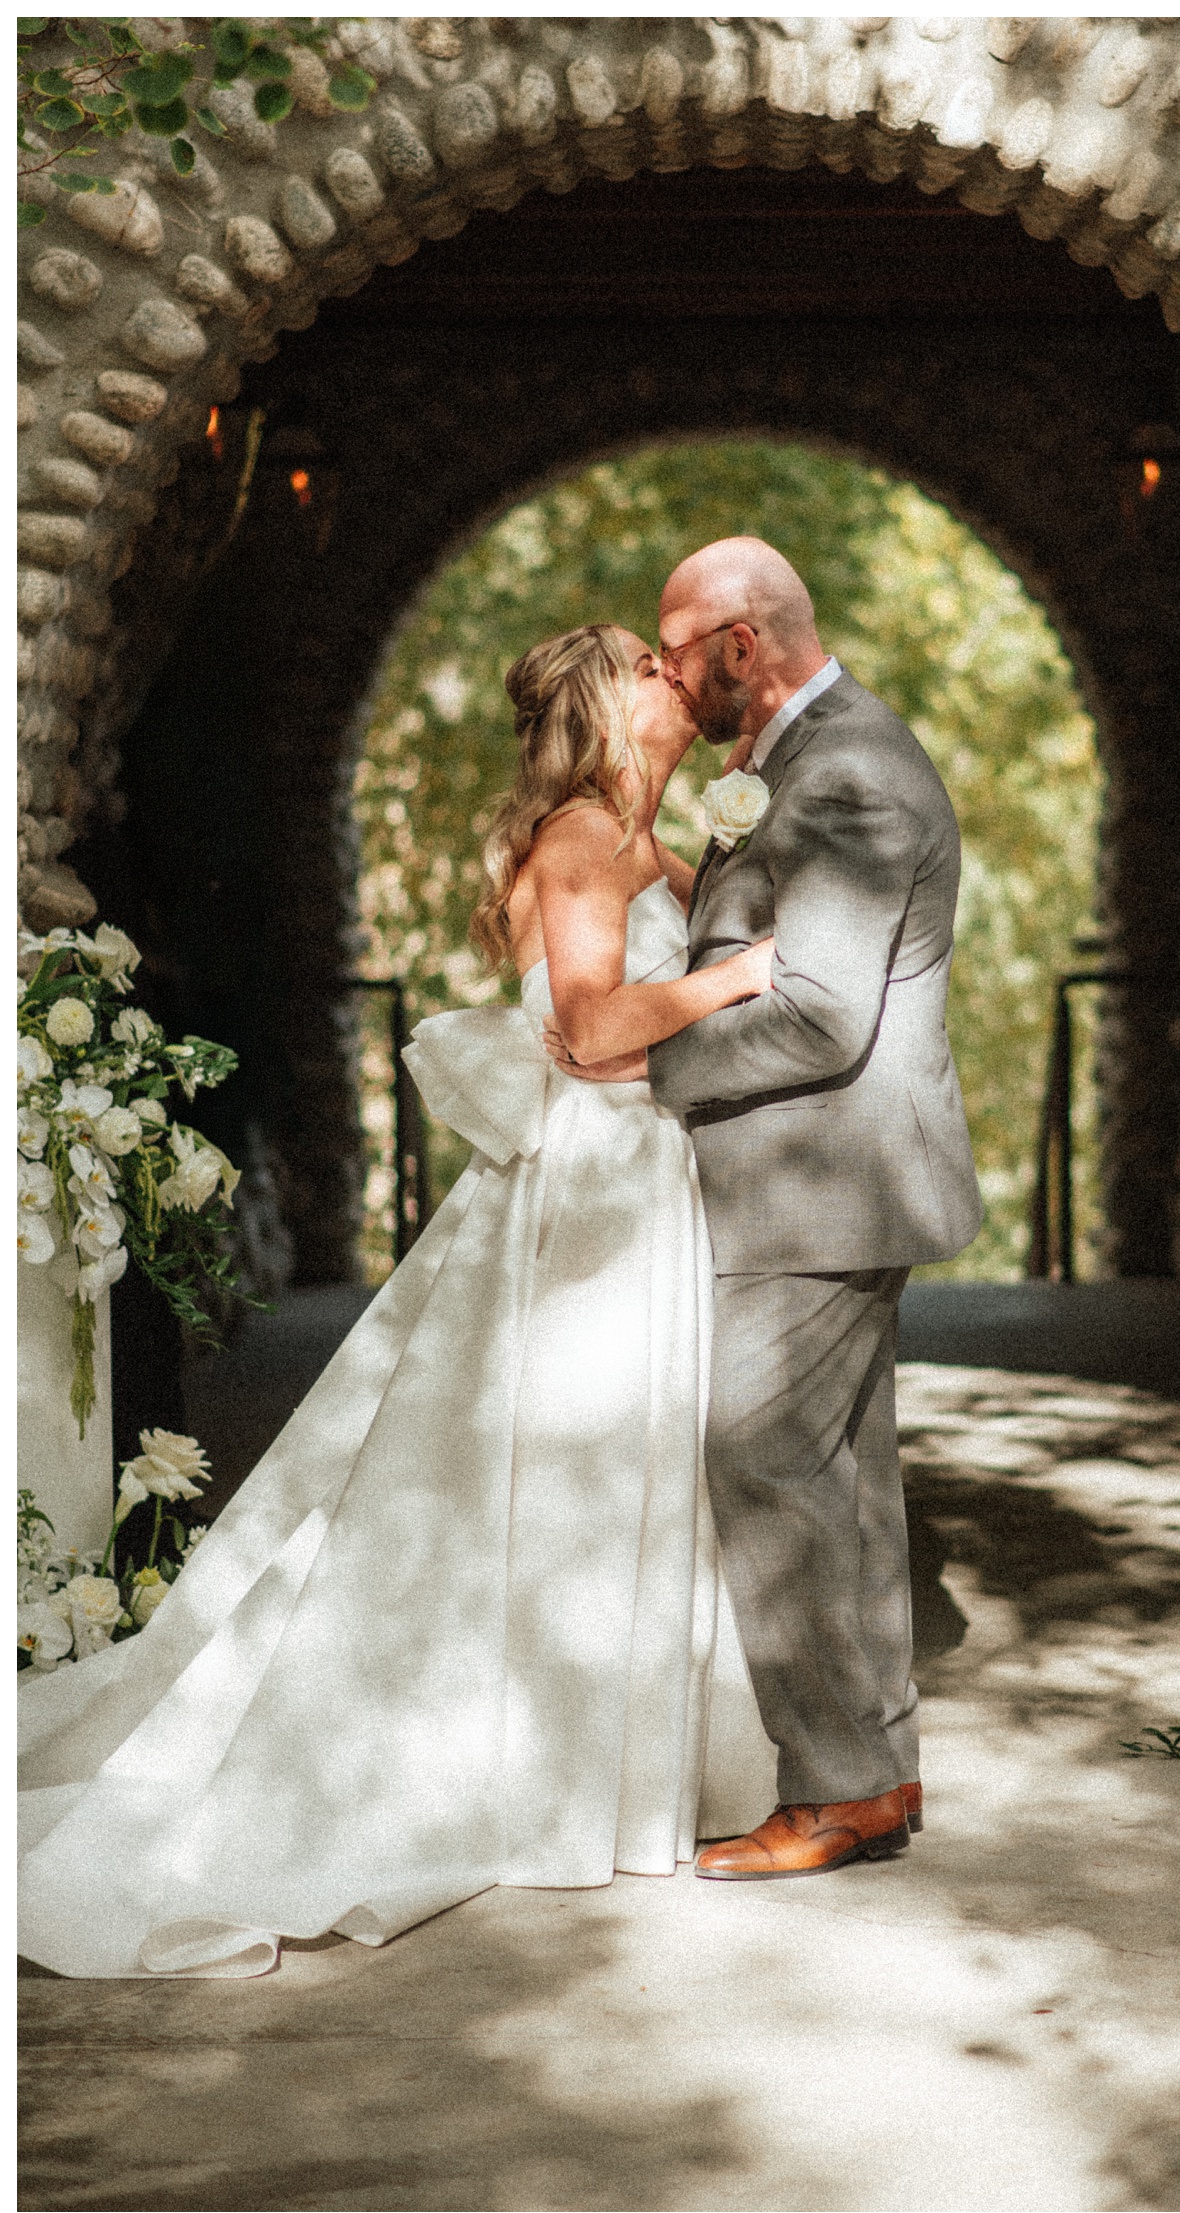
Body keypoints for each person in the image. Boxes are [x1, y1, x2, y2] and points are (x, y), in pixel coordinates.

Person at [17, 623, 781, 1981]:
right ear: (604, 708)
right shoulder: (582, 839)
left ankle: (605, 1769)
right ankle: (545, 1778)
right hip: (595, 1191)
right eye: (646, 666)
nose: (675, 675)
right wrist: (731, 980)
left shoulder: (643, 843)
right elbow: (595, 1026)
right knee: (575, 1464)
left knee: (627, 1461)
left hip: (642, 1174)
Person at [554, 537, 982, 1879]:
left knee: (762, 1459)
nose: (672, 681)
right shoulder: (804, 756)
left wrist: (650, 1067)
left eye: (681, 656)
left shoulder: (844, 771)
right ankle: (878, 1770)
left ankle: (833, 1788)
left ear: (743, 645)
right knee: (843, 1482)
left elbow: (820, 1015)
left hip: (816, 1184)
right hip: (834, 1184)